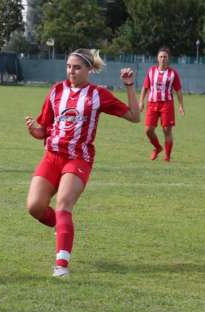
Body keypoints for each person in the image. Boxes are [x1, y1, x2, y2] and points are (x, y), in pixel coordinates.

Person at [25, 49, 140, 277]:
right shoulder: (56, 91)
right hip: (51, 157)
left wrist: (128, 85)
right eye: (69, 66)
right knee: (34, 207)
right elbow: (44, 130)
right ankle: (63, 227)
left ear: (88, 69)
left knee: (63, 205)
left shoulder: (98, 94)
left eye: (77, 67)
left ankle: (61, 266)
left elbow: (134, 116)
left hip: (78, 158)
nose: (71, 71)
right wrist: (34, 130)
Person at [139, 47, 184, 162]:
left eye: (165, 57)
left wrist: (180, 105)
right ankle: (158, 148)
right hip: (152, 103)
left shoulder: (173, 74)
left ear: (168, 59)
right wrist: (141, 102)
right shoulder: (151, 71)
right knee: (148, 130)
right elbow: (145, 87)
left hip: (167, 104)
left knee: (166, 130)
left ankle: (167, 157)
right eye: (161, 56)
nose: (163, 59)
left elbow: (178, 91)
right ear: (157, 58)